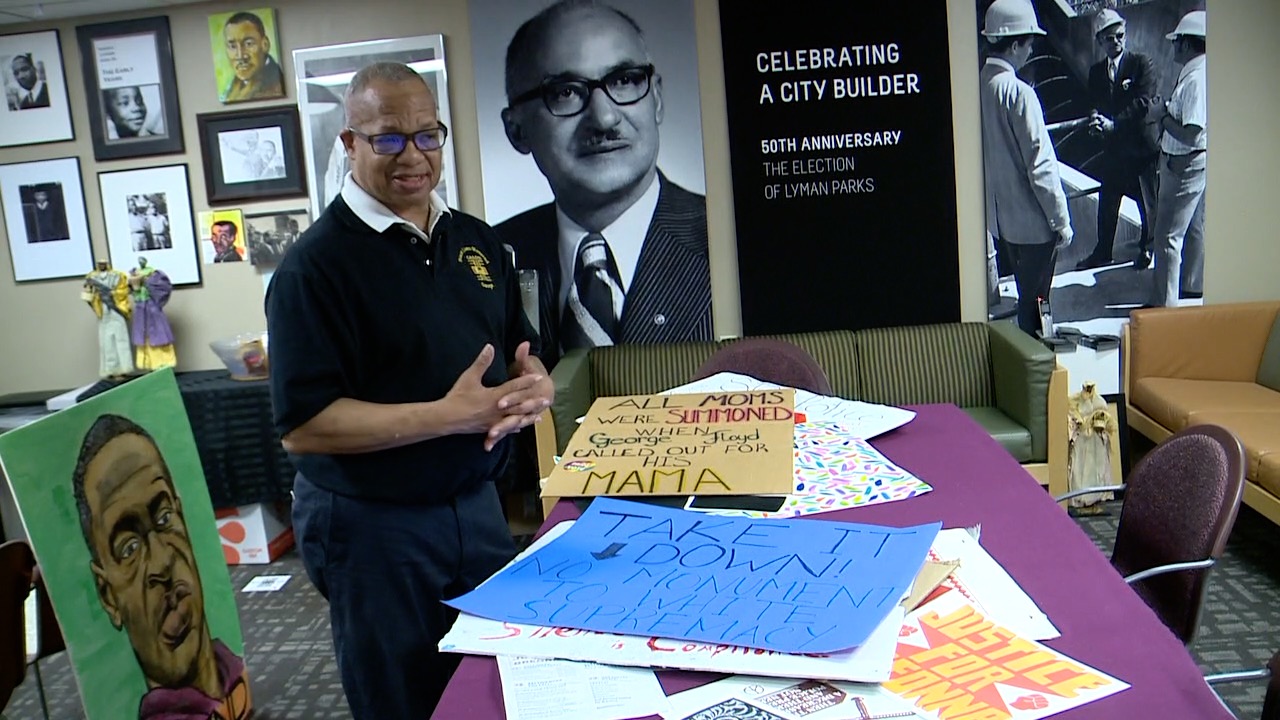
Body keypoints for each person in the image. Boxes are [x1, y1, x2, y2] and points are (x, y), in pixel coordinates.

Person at [264, 61, 552, 718]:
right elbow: (304, 424)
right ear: (350, 145)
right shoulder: (315, 268)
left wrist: (531, 384)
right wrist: (446, 417)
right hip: (372, 526)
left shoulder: (474, 241)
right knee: (401, 697)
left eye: (428, 135)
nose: (413, 156)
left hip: (476, 506)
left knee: (491, 685)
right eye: (389, 138)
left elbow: (522, 351)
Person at [495, 0, 711, 367]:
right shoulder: (490, 261)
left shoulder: (731, 239)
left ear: (656, 98)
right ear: (516, 130)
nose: (605, 118)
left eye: (624, 81)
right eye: (565, 92)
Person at [72, 414, 251, 719]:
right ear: (108, 596)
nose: (162, 563)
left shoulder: (234, 673)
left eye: (165, 517)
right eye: (129, 548)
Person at [978, 0, 1073, 337]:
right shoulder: (1019, 93)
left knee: (1026, 301)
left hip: (1002, 223)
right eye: (1030, 42)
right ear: (1015, 43)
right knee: (1038, 307)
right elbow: (1041, 165)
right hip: (1034, 225)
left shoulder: (979, 87)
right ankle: (1038, 374)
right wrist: (1061, 220)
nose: (1032, 50)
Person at [1075, 9, 1160, 271]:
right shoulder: (1096, 72)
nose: (1116, 42)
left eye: (1120, 36)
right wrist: (1094, 118)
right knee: (1107, 202)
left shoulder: (1141, 63)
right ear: (1100, 41)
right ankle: (1103, 251)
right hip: (1114, 151)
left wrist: (1114, 124)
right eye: (1110, 38)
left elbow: (1142, 103)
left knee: (1148, 204)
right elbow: (1091, 102)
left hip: (1141, 149)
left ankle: (1147, 249)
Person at [1150, 10, 1207, 307]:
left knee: (1167, 238)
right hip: (1191, 163)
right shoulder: (1200, 72)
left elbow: (1192, 133)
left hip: (1184, 163)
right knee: (1195, 228)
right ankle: (1192, 287)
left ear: (1186, 44)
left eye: (1176, 42)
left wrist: (1162, 116)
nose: (1172, 47)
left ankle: (1165, 306)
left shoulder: (1197, 78)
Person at [82, 259, 134, 378]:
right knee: (106, 342)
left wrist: (113, 294)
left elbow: (125, 290)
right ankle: (111, 369)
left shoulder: (118, 275)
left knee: (122, 339)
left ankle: (125, 368)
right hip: (102, 310)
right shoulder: (91, 277)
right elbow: (87, 292)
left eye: (103, 263)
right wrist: (90, 297)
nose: (102, 265)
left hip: (116, 309)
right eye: (100, 264)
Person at [220, 11, 284, 102]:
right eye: (233, 46)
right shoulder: (232, 88)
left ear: (265, 45)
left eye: (248, 44)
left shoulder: (276, 84)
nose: (241, 55)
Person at [128, 257, 178, 371]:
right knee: (143, 336)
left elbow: (163, 289)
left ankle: (163, 363)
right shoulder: (136, 274)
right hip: (141, 309)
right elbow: (133, 291)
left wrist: (146, 281)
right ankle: (149, 363)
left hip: (152, 308)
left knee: (159, 335)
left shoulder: (155, 275)